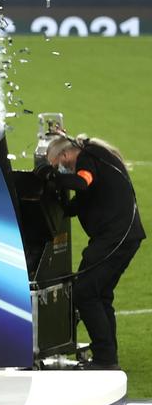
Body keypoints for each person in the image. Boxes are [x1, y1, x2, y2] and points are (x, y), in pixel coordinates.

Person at [46, 134, 144, 370]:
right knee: (100, 295)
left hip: (115, 238)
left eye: (56, 163)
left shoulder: (88, 158)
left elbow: (82, 183)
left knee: (86, 293)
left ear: (65, 155)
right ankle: (107, 357)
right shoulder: (95, 160)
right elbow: (73, 207)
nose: (59, 168)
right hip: (122, 236)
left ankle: (105, 358)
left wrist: (51, 176)